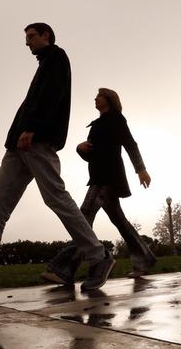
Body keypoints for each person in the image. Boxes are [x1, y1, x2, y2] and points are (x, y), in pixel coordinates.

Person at [0, 23, 115, 299]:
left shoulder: (56, 57)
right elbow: (37, 99)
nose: (27, 42)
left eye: (31, 37)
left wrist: (32, 127)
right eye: (26, 38)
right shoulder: (44, 64)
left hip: (35, 140)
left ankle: (98, 255)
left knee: (55, 196)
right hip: (18, 145)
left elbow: (52, 95)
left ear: (46, 36)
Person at [41, 88, 156, 286]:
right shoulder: (97, 124)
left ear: (108, 100)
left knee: (83, 216)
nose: (95, 99)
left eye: (99, 96)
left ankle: (65, 269)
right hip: (98, 176)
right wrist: (80, 148)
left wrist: (141, 169)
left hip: (108, 177)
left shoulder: (116, 119)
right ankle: (145, 259)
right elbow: (91, 154)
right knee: (120, 222)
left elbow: (130, 144)